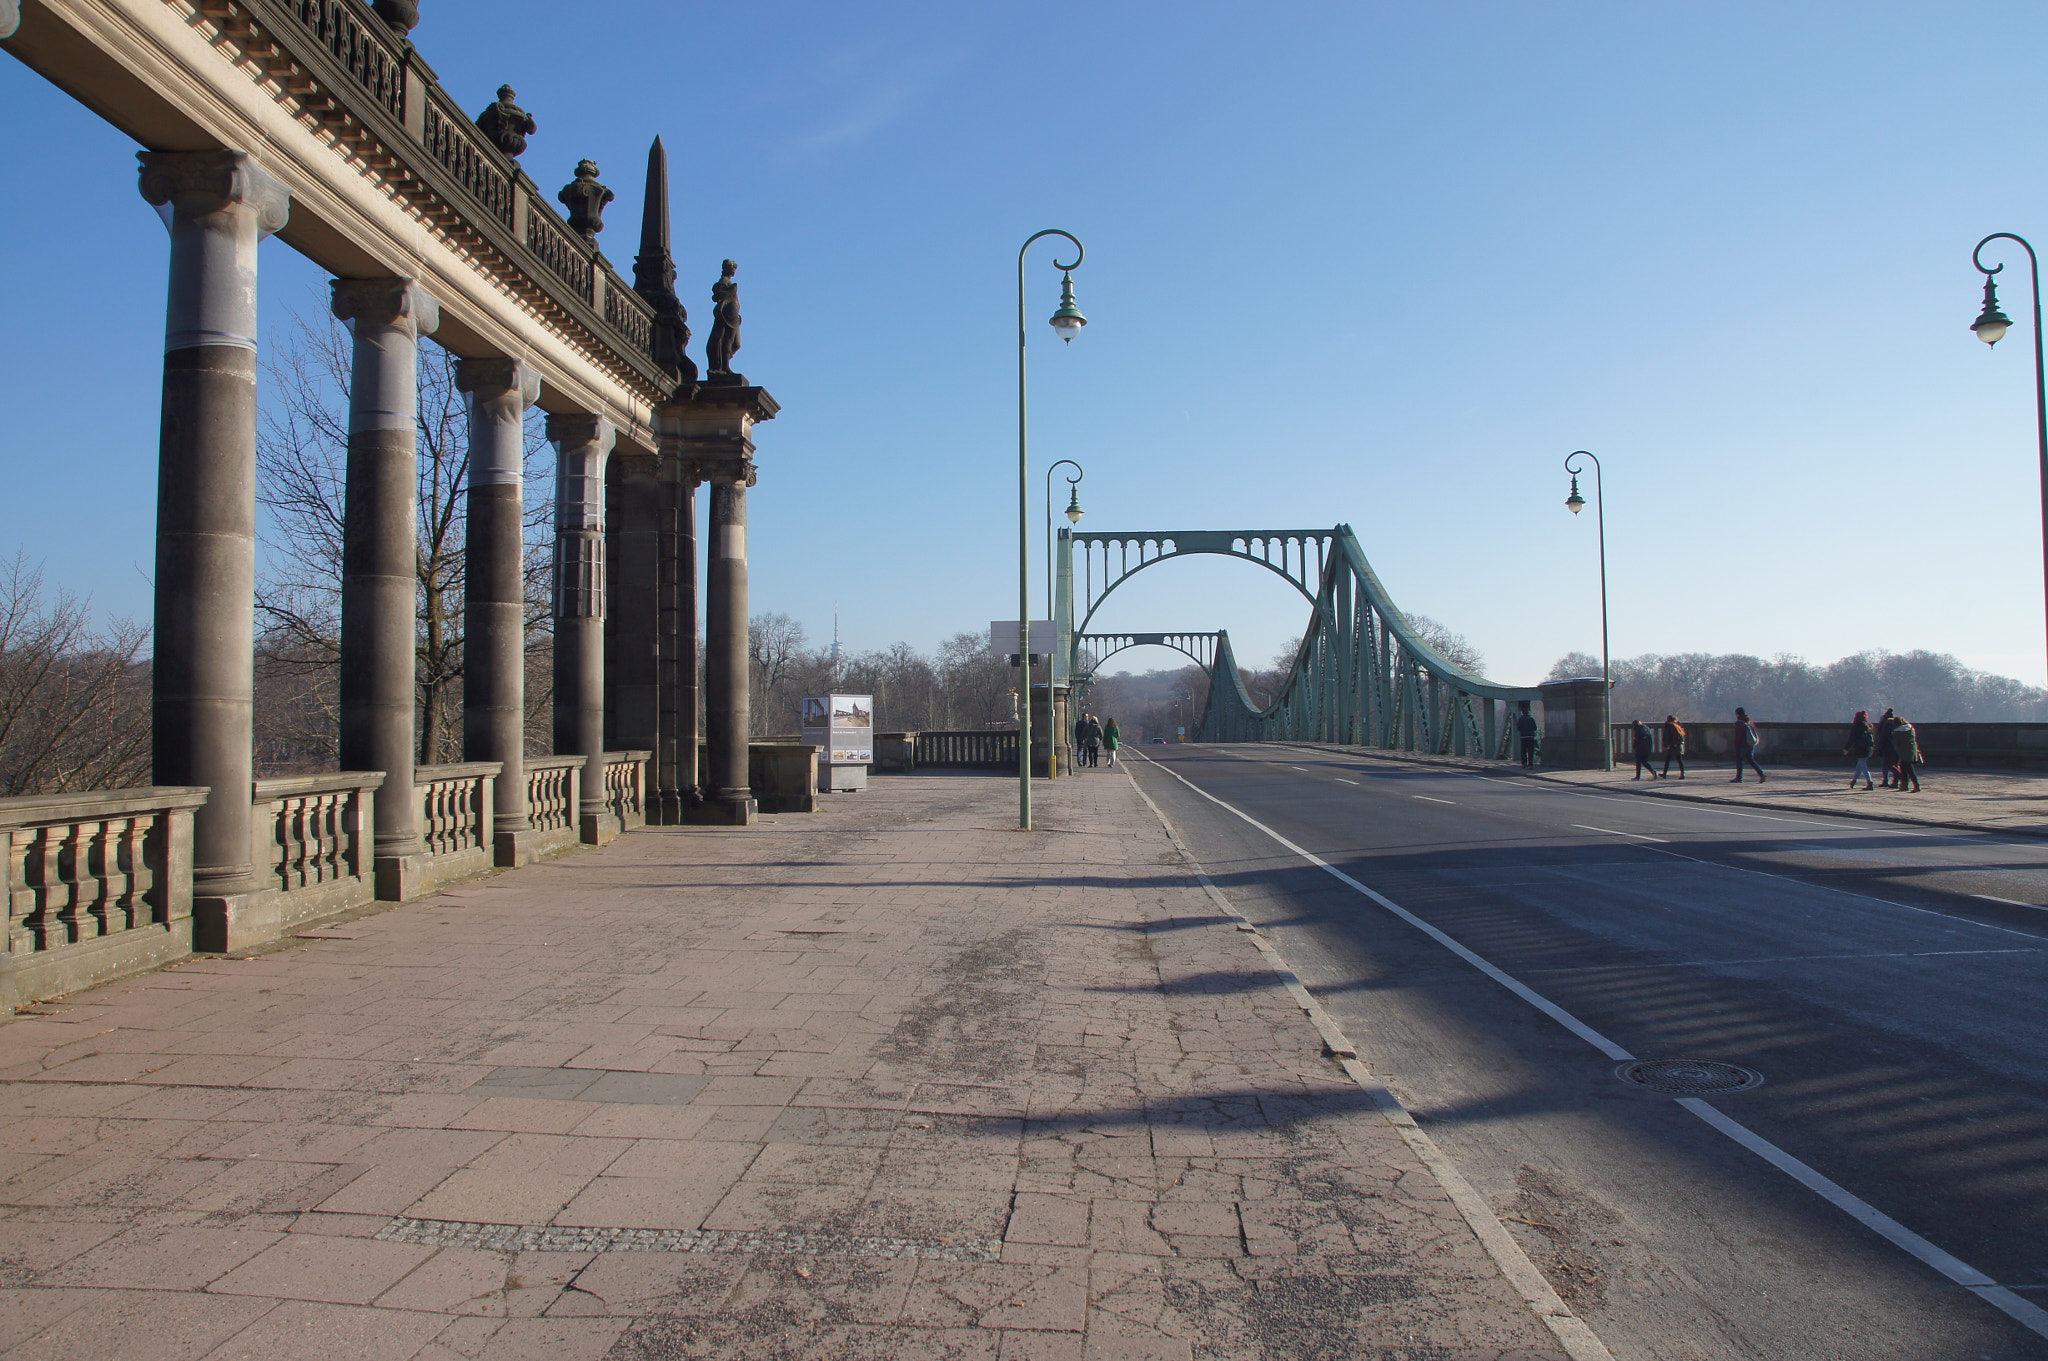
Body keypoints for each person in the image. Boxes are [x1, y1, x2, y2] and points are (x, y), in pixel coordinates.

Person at [1732, 707, 1766, 782]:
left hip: (1742, 745)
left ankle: (1739, 778)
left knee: (1739, 761)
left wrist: (1736, 745)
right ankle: (1761, 774)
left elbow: (1738, 736)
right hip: (1750, 744)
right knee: (1750, 760)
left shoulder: (1739, 723)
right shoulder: (1748, 720)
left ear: (1737, 713)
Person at [1845, 709, 1875, 791]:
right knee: (1860, 765)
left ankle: (1870, 783)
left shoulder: (1856, 726)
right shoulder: (1868, 726)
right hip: (1868, 748)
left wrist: (1847, 748)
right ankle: (1854, 781)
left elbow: (1852, 739)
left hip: (1860, 748)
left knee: (1863, 766)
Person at [1892, 714, 1922, 792]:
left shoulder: (1897, 731)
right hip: (1912, 750)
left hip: (1903, 751)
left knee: (1907, 769)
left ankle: (1913, 785)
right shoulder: (1911, 728)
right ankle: (1907, 785)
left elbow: (1896, 742)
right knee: (1906, 767)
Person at [1875, 708, 1900, 788]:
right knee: (1895, 764)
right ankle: (1896, 781)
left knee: (1887, 765)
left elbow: (1882, 738)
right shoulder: (1897, 723)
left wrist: (1880, 749)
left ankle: (1888, 780)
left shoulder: (1885, 725)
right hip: (1897, 748)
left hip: (1887, 748)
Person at [1661, 715, 1687, 779]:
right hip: (1677, 745)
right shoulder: (1677, 726)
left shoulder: (1670, 726)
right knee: (1679, 760)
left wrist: (1668, 744)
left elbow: (1670, 736)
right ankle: (1682, 774)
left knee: (1668, 759)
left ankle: (1665, 774)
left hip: (1674, 745)